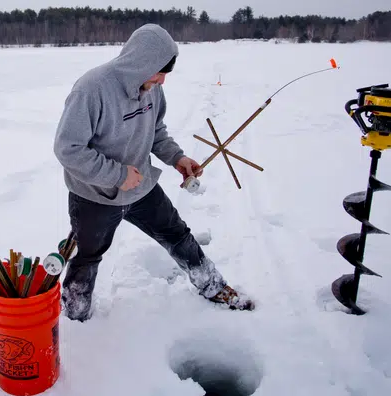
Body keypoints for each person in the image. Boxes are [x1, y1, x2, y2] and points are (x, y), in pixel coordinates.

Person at [53, 24, 254, 322]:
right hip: (95, 195)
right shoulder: (92, 89)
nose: (162, 80)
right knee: (87, 257)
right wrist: (118, 175)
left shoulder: (153, 90)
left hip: (142, 188)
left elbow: (155, 130)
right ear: (139, 63)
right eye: (158, 72)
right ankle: (77, 316)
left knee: (177, 234)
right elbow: (68, 149)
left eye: (165, 74)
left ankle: (214, 287)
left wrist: (177, 157)